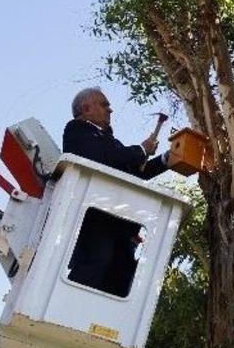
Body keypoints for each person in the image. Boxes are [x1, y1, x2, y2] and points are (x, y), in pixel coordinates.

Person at [62, 87, 169, 297]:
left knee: (122, 274)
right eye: (104, 105)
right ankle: (67, 308)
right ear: (86, 108)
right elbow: (102, 157)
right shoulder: (77, 130)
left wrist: (166, 160)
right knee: (95, 264)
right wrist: (141, 150)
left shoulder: (113, 144)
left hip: (120, 223)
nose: (110, 110)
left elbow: (136, 173)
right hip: (97, 219)